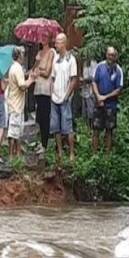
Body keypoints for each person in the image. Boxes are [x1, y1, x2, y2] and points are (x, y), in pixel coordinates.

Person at [50, 33, 78, 163]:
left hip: (65, 97)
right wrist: (51, 93)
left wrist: (67, 95)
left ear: (64, 43)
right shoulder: (55, 59)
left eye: (58, 42)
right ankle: (60, 152)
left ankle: (72, 153)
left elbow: (74, 79)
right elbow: (52, 78)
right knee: (55, 127)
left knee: (67, 126)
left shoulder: (71, 59)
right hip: (55, 97)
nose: (55, 45)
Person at [91, 46, 123, 154]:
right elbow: (94, 82)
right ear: (106, 55)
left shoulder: (118, 70)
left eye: (113, 55)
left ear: (115, 56)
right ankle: (94, 154)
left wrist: (105, 97)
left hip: (110, 105)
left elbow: (118, 89)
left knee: (109, 130)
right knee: (95, 130)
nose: (111, 57)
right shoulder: (99, 66)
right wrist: (98, 96)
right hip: (98, 102)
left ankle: (107, 155)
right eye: (109, 54)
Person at [6, 46, 35, 160]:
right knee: (13, 131)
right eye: (22, 53)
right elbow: (22, 86)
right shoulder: (17, 69)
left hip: (17, 103)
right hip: (15, 104)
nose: (24, 56)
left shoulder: (15, 67)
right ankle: (11, 155)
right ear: (18, 55)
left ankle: (17, 153)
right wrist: (31, 80)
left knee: (18, 131)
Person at [32, 33, 55, 156]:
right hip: (38, 88)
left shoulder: (51, 52)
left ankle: (45, 144)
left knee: (45, 117)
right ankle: (41, 142)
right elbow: (33, 70)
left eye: (46, 37)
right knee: (40, 117)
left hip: (46, 89)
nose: (43, 39)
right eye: (42, 37)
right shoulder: (39, 54)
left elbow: (47, 72)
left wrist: (38, 70)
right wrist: (37, 62)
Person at [81, 57, 98, 125]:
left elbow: (93, 78)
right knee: (85, 113)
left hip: (91, 91)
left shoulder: (93, 63)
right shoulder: (85, 63)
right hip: (84, 91)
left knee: (91, 112)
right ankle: (86, 129)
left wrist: (83, 80)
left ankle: (92, 129)